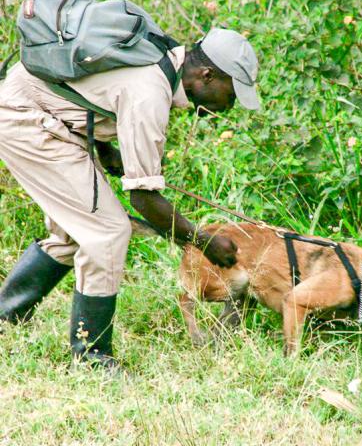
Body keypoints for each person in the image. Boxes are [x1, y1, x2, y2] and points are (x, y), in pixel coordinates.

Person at [0, 27, 260, 368]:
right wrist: (203, 241)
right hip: (26, 117)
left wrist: (104, 148)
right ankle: (92, 358)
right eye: (231, 92)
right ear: (207, 74)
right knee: (107, 232)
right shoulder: (150, 91)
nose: (229, 105)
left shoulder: (160, 59)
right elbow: (143, 199)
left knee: (73, 232)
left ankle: (6, 316)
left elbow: (85, 91)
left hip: (47, 114)